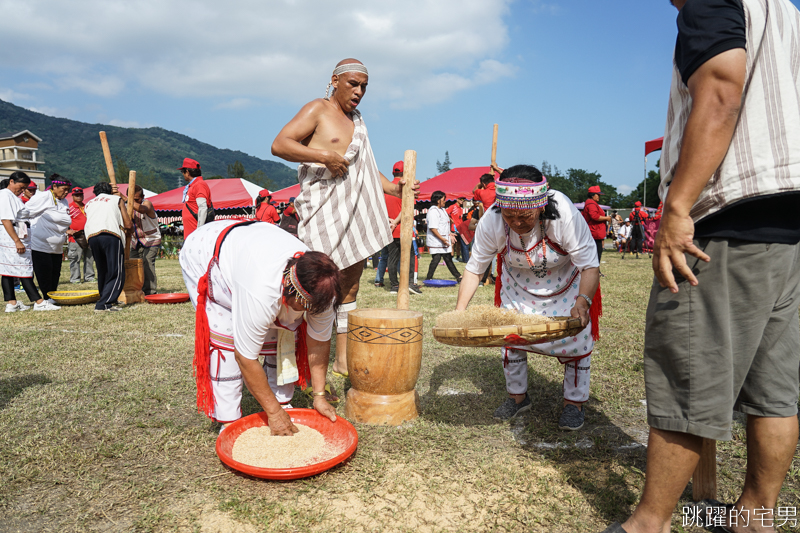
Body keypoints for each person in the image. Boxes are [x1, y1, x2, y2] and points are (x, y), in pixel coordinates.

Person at [602, 1, 800, 532]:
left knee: (685, 374)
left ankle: (649, 524)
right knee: (775, 393)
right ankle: (756, 519)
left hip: (727, 218)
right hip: (787, 225)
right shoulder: (785, 11)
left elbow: (719, 92)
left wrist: (679, 207)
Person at [271, 58, 417, 378]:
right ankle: (288, 360)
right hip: (322, 212)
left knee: (349, 290)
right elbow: (280, 144)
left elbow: (362, 167)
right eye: (353, 84)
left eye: (364, 86)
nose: (359, 91)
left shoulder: (358, 121)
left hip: (353, 214)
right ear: (335, 81)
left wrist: (394, 188)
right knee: (312, 289)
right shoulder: (318, 109)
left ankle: (342, 361)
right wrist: (323, 155)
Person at [456, 165, 600, 430]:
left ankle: (574, 403)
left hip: (567, 286)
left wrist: (583, 301)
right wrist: (459, 312)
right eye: (510, 216)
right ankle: (518, 398)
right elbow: (475, 269)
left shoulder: (564, 213)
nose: (517, 223)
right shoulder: (492, 219)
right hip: (517, 286)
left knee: (576, 341)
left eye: (525, 215)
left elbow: (590, 265)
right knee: (511, 338)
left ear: (541, 206)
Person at [180, 220, 341, 433]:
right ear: (288, 288)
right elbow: (245, 357)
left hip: (252, 243)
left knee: (285, 335)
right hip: (206, 252)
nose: (310, 315)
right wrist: (273, 414)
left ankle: (282, 401)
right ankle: (229, 420)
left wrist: (319, 395)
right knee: (228, 341)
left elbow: (319, 343)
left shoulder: (324, 289)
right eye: (307, 308)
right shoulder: (260, 289)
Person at [0, 172, 54, 312]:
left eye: (24, 188)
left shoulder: (12, 196)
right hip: (13, 235)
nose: (22, 190)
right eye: (21, 186)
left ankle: (12, 303)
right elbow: (6, 220)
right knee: (24, 268)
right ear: (11, 181)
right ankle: (38, 301)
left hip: (16, 233)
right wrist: (17, 241)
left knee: (8, 270)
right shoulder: (5, 195)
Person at [19, 173, 74, 305]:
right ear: (54, 186)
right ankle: (46, 298)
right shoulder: (43, 197)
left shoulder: (64, 201)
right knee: (45, 272)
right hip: (41, 244)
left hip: (57, 246)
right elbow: (24, 212)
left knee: (55, 273)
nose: (66, 192)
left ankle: (52, 296)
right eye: (64, 189)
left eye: (68, 190)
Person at [85, 182, 133, 312]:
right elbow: (128, 224)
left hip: (92, 237)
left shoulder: (89, 203)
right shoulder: (116, 199)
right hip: (110, 234)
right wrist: (130, 229)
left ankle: (106, 298)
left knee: (103, 270)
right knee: (116, 271)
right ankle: (104, 303)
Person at [386, 161, 422, 295]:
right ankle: (410, 283)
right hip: (403, 228)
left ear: (393, 172)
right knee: (410, 256)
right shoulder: (406, 188)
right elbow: (408, 208)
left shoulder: (387, 189)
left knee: (392, 258)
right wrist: (396, 222)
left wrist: (390, 222)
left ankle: (394, 285)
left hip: (390, 229)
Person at [124, 185, 161, 295]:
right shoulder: (126, 206)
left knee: (147, 262)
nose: (134, 202)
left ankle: (150, 291)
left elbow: (142, 209)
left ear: (143, 197)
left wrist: (127, 199)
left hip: (151, 239)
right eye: (132, 199)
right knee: (133, 264)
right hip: (135, 241)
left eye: (136, 199)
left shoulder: (147, 203)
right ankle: (136, 289)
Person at [425, 191, 461, 282]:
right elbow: (433, 228)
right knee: (436, 259)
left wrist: (449, 233)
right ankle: (428, 278)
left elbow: (444, 225)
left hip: (443, 239)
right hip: (436, 240)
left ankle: (458, 276)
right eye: (443, 199)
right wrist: (442, 239)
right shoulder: (433, 211)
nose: (445, 201)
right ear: (438, 200)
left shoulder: (442, 210)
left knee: (448, 258)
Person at [179, 158, 213, 239]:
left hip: (196, 236)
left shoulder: (199, 185)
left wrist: (199, 231)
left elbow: (203, 207)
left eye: (182, 172)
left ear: (187, 172)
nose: (182, 174)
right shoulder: (195, 185)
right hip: (192, 235)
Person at [67, 187, 95, 283]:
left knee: (89, 257)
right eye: (76, 195)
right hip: (75, 236)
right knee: (75, 258)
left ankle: (89, 277)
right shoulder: (68, 207)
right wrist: (67, 231)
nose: (78, 196)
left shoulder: (87, 207)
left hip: (88, 234)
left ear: (83, 195)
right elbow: (62, 221)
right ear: (72, 196)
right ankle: (75, 279)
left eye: (80, 195)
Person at [581, 185, 612, 265]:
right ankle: (595, 272)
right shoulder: (591, 204)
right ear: (592, 195)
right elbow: (595, 216)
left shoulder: (591, 203)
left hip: (595, 231)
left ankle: (596, 271)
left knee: (596, 254)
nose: (599, 197)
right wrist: (606, 218)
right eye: (597, 195)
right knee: (596, 254)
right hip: (594, 231)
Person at [447, 196, 471, 263]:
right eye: (461, 199)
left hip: (460, 228)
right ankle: (451, 257)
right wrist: (451, 219)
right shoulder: (452, 206)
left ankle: (458, 257)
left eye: (463, 199)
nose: (462, 201)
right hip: (454, 228)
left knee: (459, 243)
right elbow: (445, 213)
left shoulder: (460, 208)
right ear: (457, 199)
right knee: (452, 243)